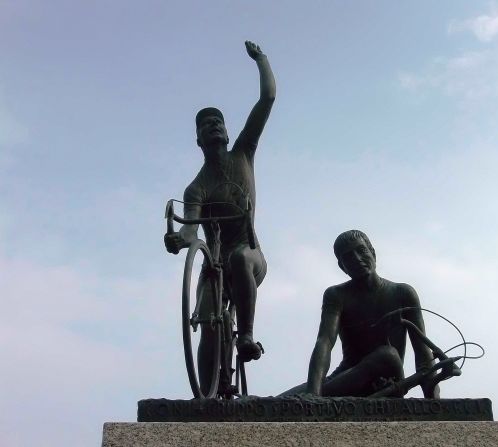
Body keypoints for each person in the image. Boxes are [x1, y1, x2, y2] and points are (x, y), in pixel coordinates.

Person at [164, 41, 275, 390]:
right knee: (207, 318)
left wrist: (262, 60)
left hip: (248, 254)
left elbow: (267, 100)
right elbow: (190, 230)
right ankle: (207, 395)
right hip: (214, 263)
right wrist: (178, 240)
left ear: (227, 133)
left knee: (241, 257)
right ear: (198, 139)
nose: (213, 126)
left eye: (218, 123)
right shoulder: (195, 188)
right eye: (205, 125)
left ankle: (247, 336)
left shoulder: (244, 153)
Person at [283, 230, 439, 398]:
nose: (357, 259)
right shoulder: (337, 295)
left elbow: (423, 352)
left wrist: (433, 399)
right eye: (348, 257)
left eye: (361, 251)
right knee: (277, 403)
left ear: (372, 252)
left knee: (387, 354)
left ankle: (312, 397)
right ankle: (310, 396)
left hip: (385, 380)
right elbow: (325, 342)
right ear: (342, 267)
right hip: (346, 378)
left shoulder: (403, 293)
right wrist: (312, 393)